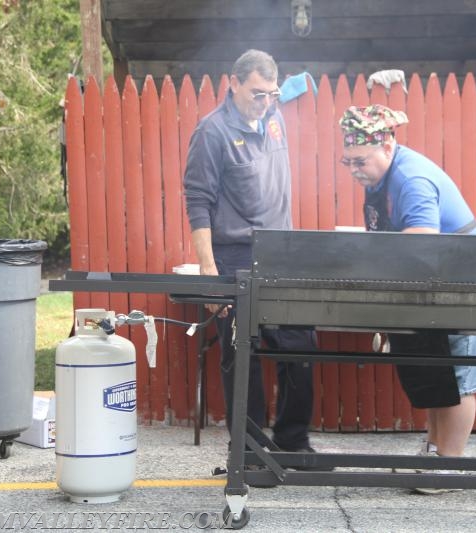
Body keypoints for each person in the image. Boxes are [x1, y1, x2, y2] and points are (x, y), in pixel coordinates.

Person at [339, 104, 476, 494]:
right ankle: (432, 452)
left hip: (463, 286)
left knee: (458, 379)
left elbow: (421, 242)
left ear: (387, 147)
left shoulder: (411, 179)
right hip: (430, 289)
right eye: (348, 162)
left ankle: (449, 466)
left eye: (361, 161)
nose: (354, 170)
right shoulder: (380, 181)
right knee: (434, 374)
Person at [183, 50, 317, 455]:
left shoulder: (274, 118)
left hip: (283, 254)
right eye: (257, 93)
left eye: (271, 94)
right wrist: (208, 268)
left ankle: (293, 443)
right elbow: (198, 199)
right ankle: (250, 450)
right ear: (234, 82)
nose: (265, 102)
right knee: (243, 356)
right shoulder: (212, 132)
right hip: (234, 258)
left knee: (301, 346)